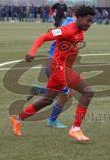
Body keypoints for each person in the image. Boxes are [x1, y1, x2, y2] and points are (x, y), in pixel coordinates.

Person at [10, 5, 95, 142]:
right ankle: (75, 129)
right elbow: (43, 37)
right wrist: (32, 52)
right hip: (58, 68)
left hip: (64, 68)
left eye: (91, 21)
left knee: (47, 100)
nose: (90, 24)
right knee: (87, 92)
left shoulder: (80, 30)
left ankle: (18, 119)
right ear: (78, 18)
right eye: (88, 21)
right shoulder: (67, 30)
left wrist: (55, 32)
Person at [27, 6, 79, 129]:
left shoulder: (68, 22)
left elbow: (58, 31)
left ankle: (38, 91)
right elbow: (53, 34)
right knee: (65, 95)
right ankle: (51, 120)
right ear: (78, 16)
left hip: (59, 64)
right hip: (56, 64)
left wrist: (53, 31)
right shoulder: (71, 24)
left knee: (66, 94)